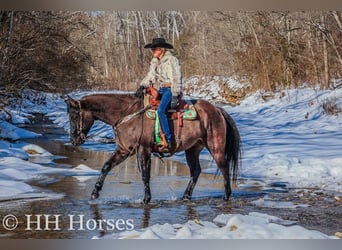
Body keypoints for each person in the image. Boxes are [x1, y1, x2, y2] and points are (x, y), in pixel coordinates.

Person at [136, 37, 182, 151]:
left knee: (161, 110)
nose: (152, 51)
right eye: (152, 49)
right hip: (161, 89)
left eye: (154, 49)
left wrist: (175, 94)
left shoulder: (171, 60)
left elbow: (176, 78)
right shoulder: (155, 62)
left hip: (170, 89)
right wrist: (142, 85)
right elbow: (150, 76)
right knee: (146, 106)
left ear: (161, 49)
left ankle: (169, 139)